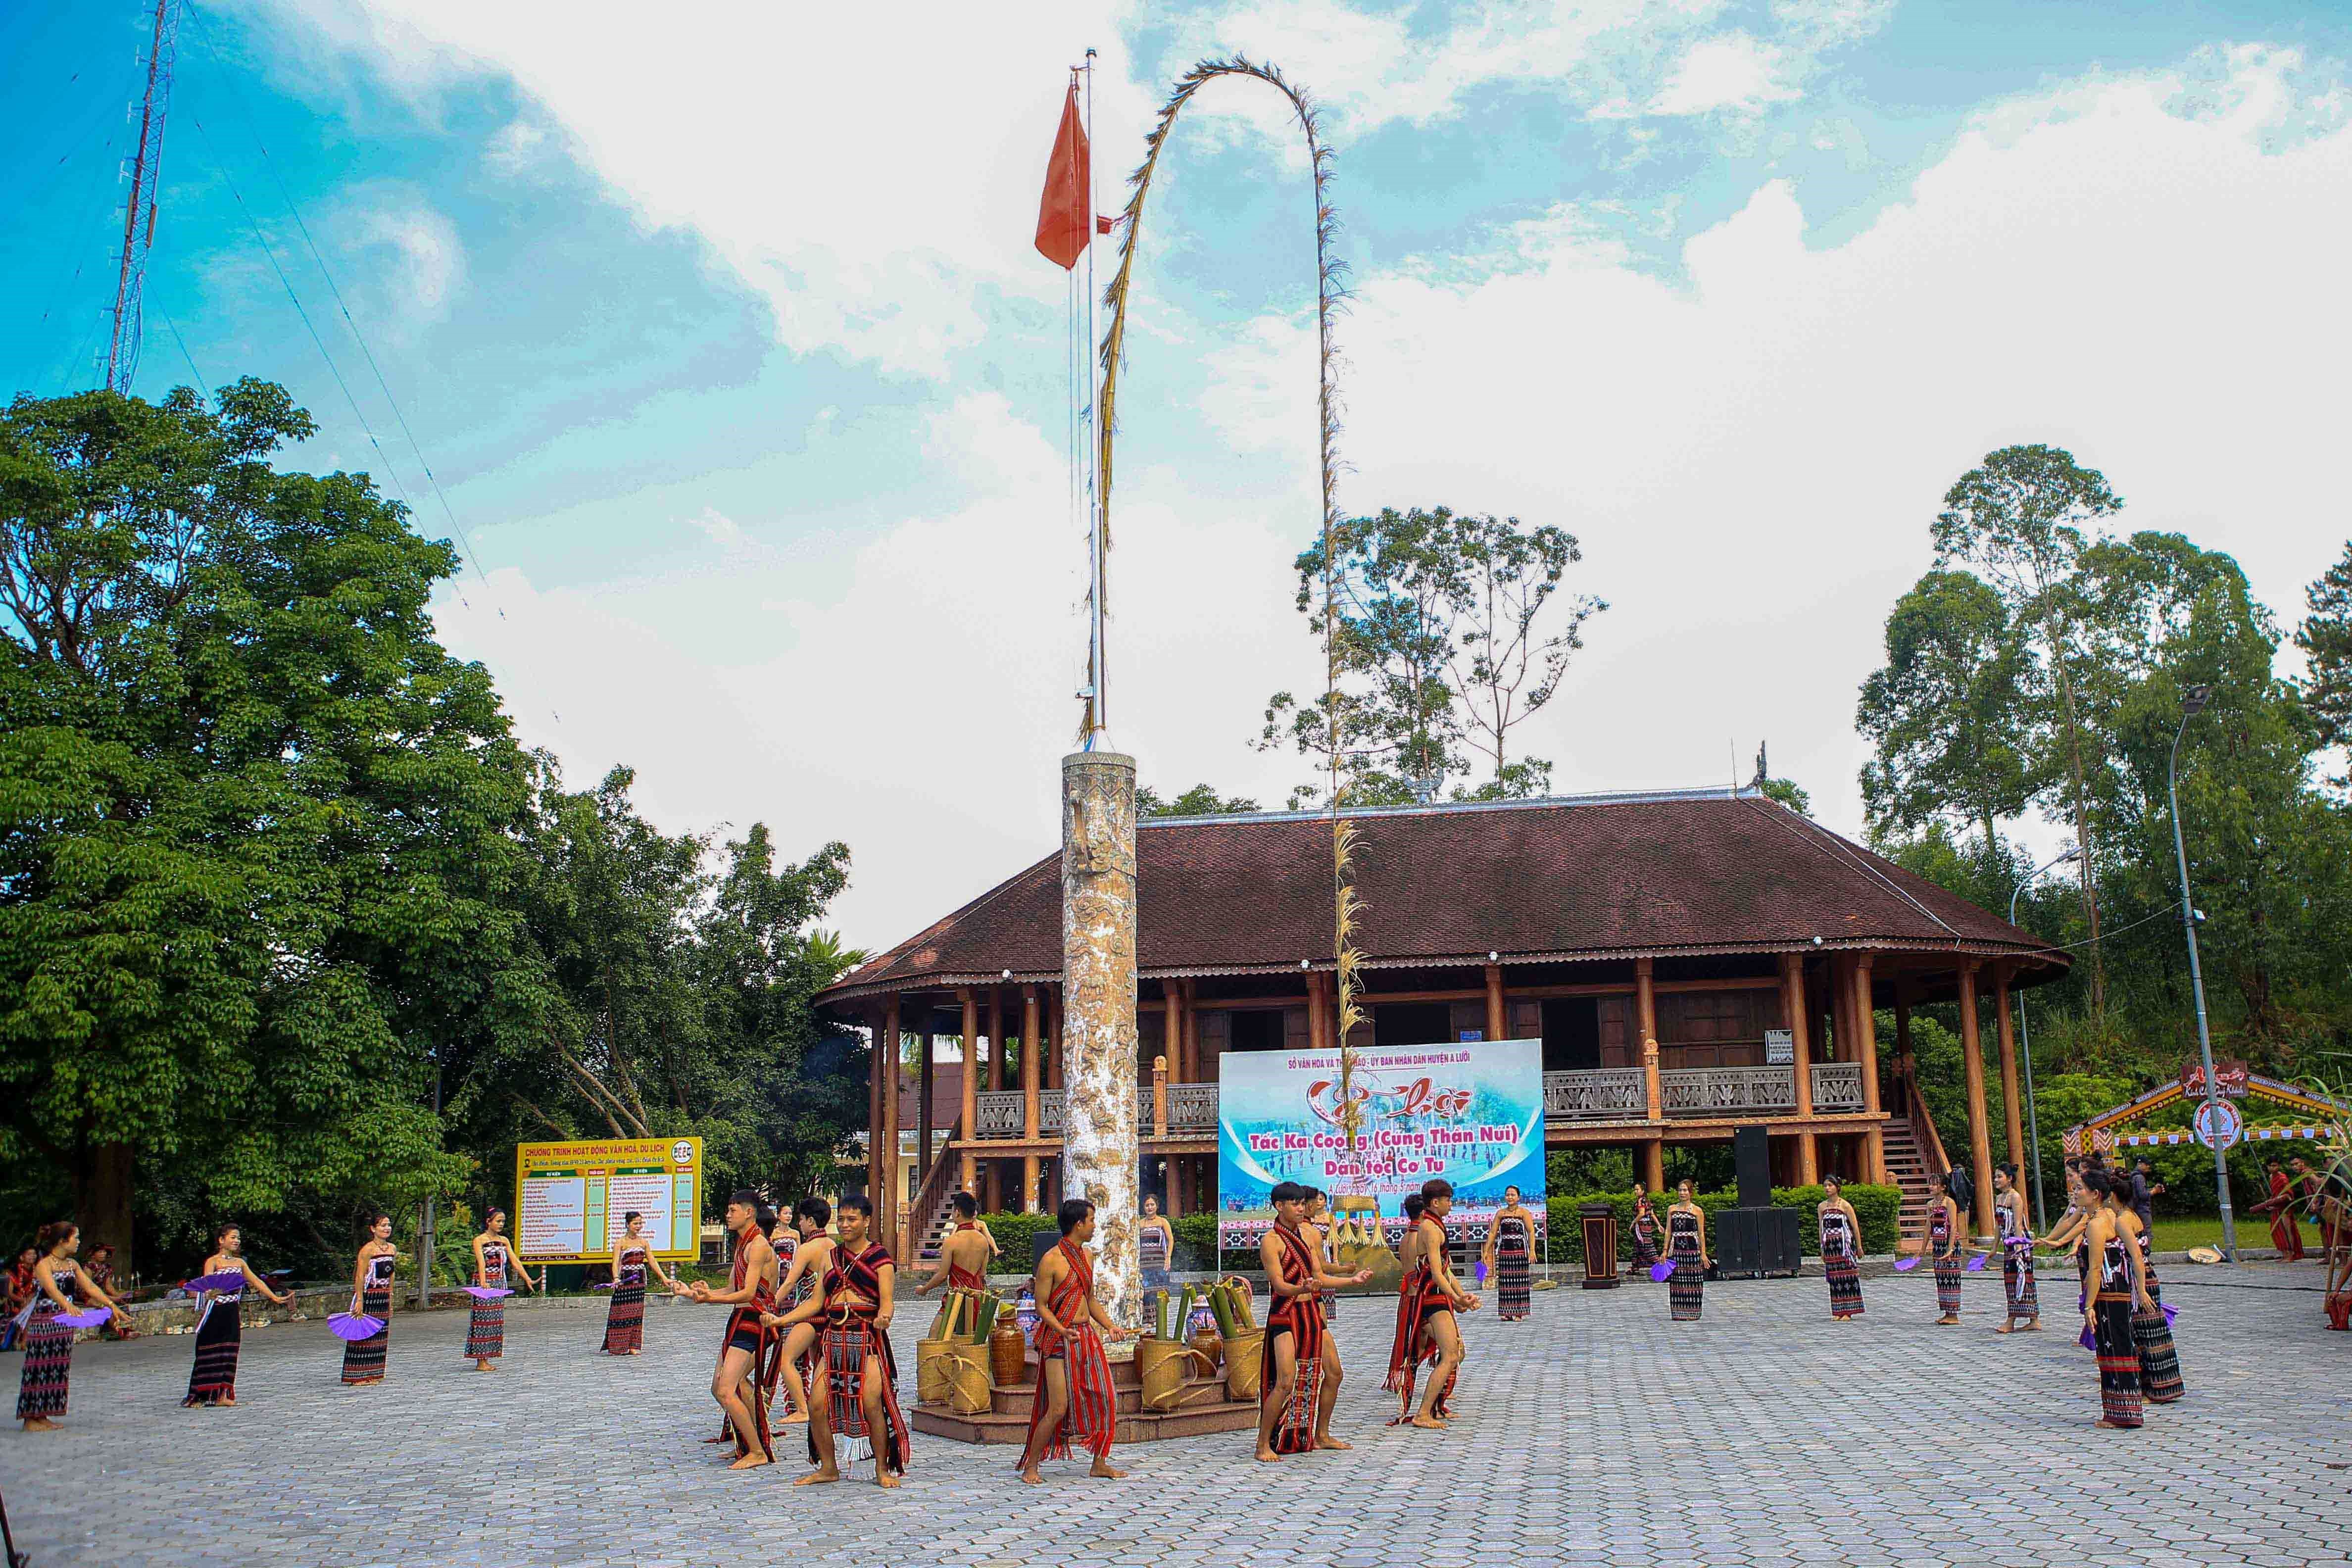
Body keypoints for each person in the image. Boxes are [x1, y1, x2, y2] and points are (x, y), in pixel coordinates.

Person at [776, 1193, 908, 1487]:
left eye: (852, 1219)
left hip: (865, 1338)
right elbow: (815, 1303)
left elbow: (887, 1303)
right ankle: (828, 1467)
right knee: (817, 1404)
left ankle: (882, 1469)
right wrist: (782, 1319)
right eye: (842, 1219)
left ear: (867, 1221)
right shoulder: (831, 1258)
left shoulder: (881, 1259)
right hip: (834, 1339)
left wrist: (884, 1318)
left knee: (872, 1403)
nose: (845, 1225)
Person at [1016, 1197, 1134, 1484]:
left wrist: (1109, 1326)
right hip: (1059, 1339)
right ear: (1078, 1224)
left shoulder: (1088, 1256)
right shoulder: (1051, 1260)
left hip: (1085, 1336)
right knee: (1058, 1407)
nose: (1095, 1226)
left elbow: (1089, 1299)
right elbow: (1041, 1306)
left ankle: (1099, 1462)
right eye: (1091, 1221)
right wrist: (1061, 1329)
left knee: (1106, 1397)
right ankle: (1032, 1464)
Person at [1256, 1180, 1372, 1460]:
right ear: (1279, 1206)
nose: (1300, 1208)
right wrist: (1302, 1289)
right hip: (1285, 1314)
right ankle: (1263, 1444)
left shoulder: (1307, 1236)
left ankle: (1321, 1434)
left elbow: (1319, 1277)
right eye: (1294, 1204)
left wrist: (1351, 1280)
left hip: (1311, 1313)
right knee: (1285, 1381)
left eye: (1301, 1204)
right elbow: (1280, 1285)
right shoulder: (1271, 1241)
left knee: (1334, 1373)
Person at [682, 1191, 781, 1469]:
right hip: (739, 1320)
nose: (728, 1214)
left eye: (732, 1209)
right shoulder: (743, 1244)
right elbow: (731, 1290)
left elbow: (749, 1294)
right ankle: (752, 1443)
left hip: (753, 1321)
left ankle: (758, 1452)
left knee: (727, 1389)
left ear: (749, 1213)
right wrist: (697, 1292)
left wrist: (710, 1298)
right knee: (722, 1388)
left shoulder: (758, 1246)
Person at [14, 1221, 126, 1431]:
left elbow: (90, 1286)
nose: (79, 1242)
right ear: (62, 1241)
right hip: (45, 1323)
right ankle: (31, 1419)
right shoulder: (44, 1264)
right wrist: (68, 1305)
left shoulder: (72, 1265)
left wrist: (112, 1305)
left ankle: (43, 1415)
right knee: (40, 1368)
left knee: (57, 1369)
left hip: (63, 1324)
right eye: (75, 1238)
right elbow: (52, 1290)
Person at [1386, 1177, 1477, 1428]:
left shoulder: (1434, 1226)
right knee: (1449, 1355)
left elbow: (1446, 1271)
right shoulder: (1429, 1228)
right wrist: (1457, 1297)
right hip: (1431, 1298)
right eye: (1448, 1200)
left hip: (1436, 1295)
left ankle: (1433, 1407)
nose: (1451, 1205)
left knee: (1456, 1353)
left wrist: (1461, 1296)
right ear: (1435, 1202)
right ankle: (1424, 1413)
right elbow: (1437, 1273)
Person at [185, 1223, 290, 1407]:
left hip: (232, 1311)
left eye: (238, 1238)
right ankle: (200, 1395)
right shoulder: (213, 1261)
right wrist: (211, 1292)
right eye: (233, 1237)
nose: (236, 1241)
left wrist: (275, 1297)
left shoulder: (240, 1263)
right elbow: (208, 1283)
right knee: (209, 1352)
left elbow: (256, 1281)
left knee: (229, 1351)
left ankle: (223, 1394)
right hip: (215, 1311)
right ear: (221, 1240)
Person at [2081, 1170, 2152, 1429]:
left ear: (2095, 1194)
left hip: (2109, 1294)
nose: (2075, 1193)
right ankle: (2125, 1410)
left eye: (2080, 1189)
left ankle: (2121, 1414)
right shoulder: (2110, 1216)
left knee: (2112, 1348)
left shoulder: (2098, 1223)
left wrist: (2089, 1305)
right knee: (2121, 1346)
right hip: (2119, 1290)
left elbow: (2096, 1268)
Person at [2107, 1185, 2182, 1404]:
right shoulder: (2132, 1216)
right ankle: (2157, 1386)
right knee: (2146, 1333)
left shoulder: (2123, 1220)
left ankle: (2156, 1388)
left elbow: (2137, 1258)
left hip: (2140, 1279)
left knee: (2147, 1334)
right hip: (2145, 1276)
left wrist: (2140, 1290)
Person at [766, 1197, 837, 1425]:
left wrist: (772, 1303)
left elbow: (789, 1283)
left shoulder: (807, 1248)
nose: (800, 1223)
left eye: (802, 1219)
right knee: (820, 1362)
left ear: (811, 1221)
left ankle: (801, 1409)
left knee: (786, 1359)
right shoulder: (833, 1246)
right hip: (829, 1312)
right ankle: (823, 1404)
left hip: (809, 1314)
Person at [467, 1207, 539, 1371]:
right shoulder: (479, 1240)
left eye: (503, 1222)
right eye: (498, 1221)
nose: (501, 1224)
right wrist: (484, 1283)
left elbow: (515, 1262)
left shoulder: (504, 1240)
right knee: (482, 1321)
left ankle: (488, 1357)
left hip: (499, 1283)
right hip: (484, 1283)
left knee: (494, 1320)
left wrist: (528, 1278)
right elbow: (481, 1262)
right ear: (489, 1222)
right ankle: (480, 1360)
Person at [602, 1210, 678, 1356]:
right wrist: (616, 1278)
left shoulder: (643, 1242)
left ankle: (633, 1346)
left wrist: (664, 1278)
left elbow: (652, 1261)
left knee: (637, 1312)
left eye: (640, 1223)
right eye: (635, 1223)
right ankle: (618, 1346)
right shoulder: (620, 1243)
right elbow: (616, 1262)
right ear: (628, 1225)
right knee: (621, 1312)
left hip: (639, 1281)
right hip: (625, 1281)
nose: (638, 1226)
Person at [341, 1212, 398, 1386]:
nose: (386, 1228)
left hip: (383, 1294)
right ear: (373, 1229)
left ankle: (374, 1372)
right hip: (369, 1293)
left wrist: (391, 1296)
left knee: (380, 1334)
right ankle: (358, 1375)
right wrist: (360, 1299)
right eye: (382, 1225)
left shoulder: (392, 1249)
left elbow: (392, 1275)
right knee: (364, 1335)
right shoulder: (368, 1250)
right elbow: (360, 1276)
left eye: (388, 1225)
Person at [1992, 1164, 2040, 1333]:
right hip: (2008, 1244)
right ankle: (2033, 1319)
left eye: (2000, 1177)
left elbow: (2019, 1224)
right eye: (1996, 1177)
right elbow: (1999, 1226)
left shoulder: (2015, 1198)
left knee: (2022, 1278)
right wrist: (1994, 1248)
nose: (1996, 1180)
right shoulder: (1999, 1199)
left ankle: (2013, 1320)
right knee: (2011, 1280)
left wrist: (2019, 1247)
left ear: (2010, 1179)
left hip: (2020, 1244)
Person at [918, 1192, 994, 1295]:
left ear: (957, 1212)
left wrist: (924, 1289)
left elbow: (942, 1276)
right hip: (976, 1298)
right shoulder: (984, 1241)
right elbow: (982, 1274)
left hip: (957, 1300)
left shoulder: (951, 1241)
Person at [1482, 1185, 1536, 1322]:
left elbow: (1531, 1232)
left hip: (1520, 1252)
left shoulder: (1524, 1213)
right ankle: (1506, 1312)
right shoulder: (1501, 1213)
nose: (1510, 1197)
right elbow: (1493, 1233)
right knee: (1506, 1281)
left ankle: (1519, 1313)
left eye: (1513, 1195)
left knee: (1520, 1281)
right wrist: (1487, 1250)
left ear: (1518, 1197)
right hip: (1505, 1251)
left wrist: (1532, 1250)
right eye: (1508, 1195)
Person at [1816, 1175, 1864, 1321]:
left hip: (1845, 1247)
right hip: (1831, 1247)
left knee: (1847, 1277)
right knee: (1834, 1279)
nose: (1827, 1188)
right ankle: (1837, 1311)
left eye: (1830, 1185)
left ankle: (1848, 1311)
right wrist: (1822, 1248)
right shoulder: (1822, 1207)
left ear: (1837, 1187)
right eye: (1825, 1185)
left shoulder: (1845, 1206)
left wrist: (1859, 1247)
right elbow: (1821, 1228)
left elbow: (1855, 1227)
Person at [1666, 1179, 1710, 1322]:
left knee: (1694, 1280)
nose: (1682, 1193)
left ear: (1691, 1193)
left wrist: (1703, 1254)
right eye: (1680, 1190)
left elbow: (1702, 1234)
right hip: (1677, 1251)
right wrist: (1665, 1251)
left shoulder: (1698, 1211)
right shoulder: (1672, 1209)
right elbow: (1668, 1231)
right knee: (1678, 1281)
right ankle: (1678, 1312)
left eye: (1685, 1190)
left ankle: (1693, 1312)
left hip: (1693, 1250)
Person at [1926, 1173, 1966, 1326]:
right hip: (1938, 1245)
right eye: (1930, 1184)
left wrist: (1950, 1249)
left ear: (1943, 1187)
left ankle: (1954, 1314)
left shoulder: (1949, 1202)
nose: (1931, 1187)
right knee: (1941, 1279)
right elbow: (1928, 1226)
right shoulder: (1930, 1204)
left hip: (1950, 1244)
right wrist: (1923, 1249)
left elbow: (1954, 1225)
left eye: (1935, 1184)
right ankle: (1947, 1312)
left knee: (1952, 1279)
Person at [80, 1243, 138, 1340]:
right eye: (100, 1252)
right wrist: (111, 1299)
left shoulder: (107, 1268)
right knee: (109, 1306)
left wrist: (121, 1296)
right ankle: (121, 1332)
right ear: (93, 1255)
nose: (103, 1254)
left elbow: (109, 1287)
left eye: (104, 1252)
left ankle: (126, 1328)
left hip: (102, 1295)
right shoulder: (88, 1267)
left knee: (122, 1303)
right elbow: (88, 1288)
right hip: (87, 1296)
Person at [2255, 1161, 2306, 1261]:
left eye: (2274, 1166)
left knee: (2287, 1231)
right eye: (2270, 1165)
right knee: (2277, 1231)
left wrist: (2278, 1200)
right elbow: (2274, 1193)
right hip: (2275, 1208)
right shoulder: (2271, 1177)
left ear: (2278, 1166)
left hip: (2284, 1208)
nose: (2272, 1168)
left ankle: (2291, 1254)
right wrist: (2271, 1202)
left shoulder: (2282, 1178)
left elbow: (2288, 1195)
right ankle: (2285, 1254)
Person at [1302, 1188, 1340, 1320]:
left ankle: (1326, 1313)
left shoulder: (1331, 1218)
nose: (1318, 1202)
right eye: (1316, 1199)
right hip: (1310, 1250)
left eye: (1321, 1199)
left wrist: (1335, 1259)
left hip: (1324, 1250)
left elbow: (1334, 1240)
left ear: (1325, 1202)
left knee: (1326, 1281)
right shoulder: (1306, 1219)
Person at [1137, 1193, 1175, 1298]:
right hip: (1145, 1264)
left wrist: (1168, 1258)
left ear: (1157, 1206)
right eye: (1147, 1205)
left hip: (1159, 1262)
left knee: (1161, 1293)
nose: (1150, 1208)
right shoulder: (1140, 1224)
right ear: (1144, 1207)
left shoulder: (1163, 1222)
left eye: (1152, 1205)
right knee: (1146, 1294)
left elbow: (1171, 1239)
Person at [1, 1247, 37, 1352]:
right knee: (25, 1310)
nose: (33, 1256)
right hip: (14, 1302)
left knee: (29, 1309)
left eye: (34, 1254)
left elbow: (36, 1290)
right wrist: (22, 1301)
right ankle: (19, 1340)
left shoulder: (38, 1270)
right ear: (22, 1257)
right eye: (29, 1254)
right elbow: (9, 1293)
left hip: (30, 1301)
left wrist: (29, 1299)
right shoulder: (13, 1272)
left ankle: (23, 1341)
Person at [1629, 1192, 1662, 1277]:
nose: (1636, 1191)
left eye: (1637, 1189)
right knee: (1638, 1246)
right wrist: (1659, 1225)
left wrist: (1633, 1222)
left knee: (1647, 1246)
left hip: (1642, 1227)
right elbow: (1652, 1214)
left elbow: (1642, 1213)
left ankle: (1660, 1265)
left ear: (1643, 1191)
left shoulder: (1641, 1201)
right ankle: (1635, 1267)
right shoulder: (1647, 1201)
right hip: (1647, 1227)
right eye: (1635, 1190)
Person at [2130, 1158, 2163, 1238]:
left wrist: (2151, 1189)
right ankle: (2146, 1250)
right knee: (2147, 1233)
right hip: (2142, 1210)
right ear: (2140, 1164)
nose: (2149, 1167)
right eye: (2147, 1164)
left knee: (2138, 1233)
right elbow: (2143, 1195)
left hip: (2135, 1208)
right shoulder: (2140, 1177)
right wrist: (2154, 1191)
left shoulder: (2132, 1176)